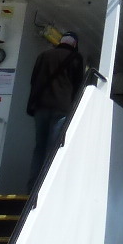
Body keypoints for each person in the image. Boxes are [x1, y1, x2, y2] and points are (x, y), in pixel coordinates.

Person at [26, 31, 86, 188]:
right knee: (53, 147)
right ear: (74, 44)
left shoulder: (44, 55)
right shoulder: (75, 58)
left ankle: (33, 184)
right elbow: (78, 85)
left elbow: (33, 80)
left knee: (39, 146)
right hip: (61, 108)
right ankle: (45, 184)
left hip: (41, 107)